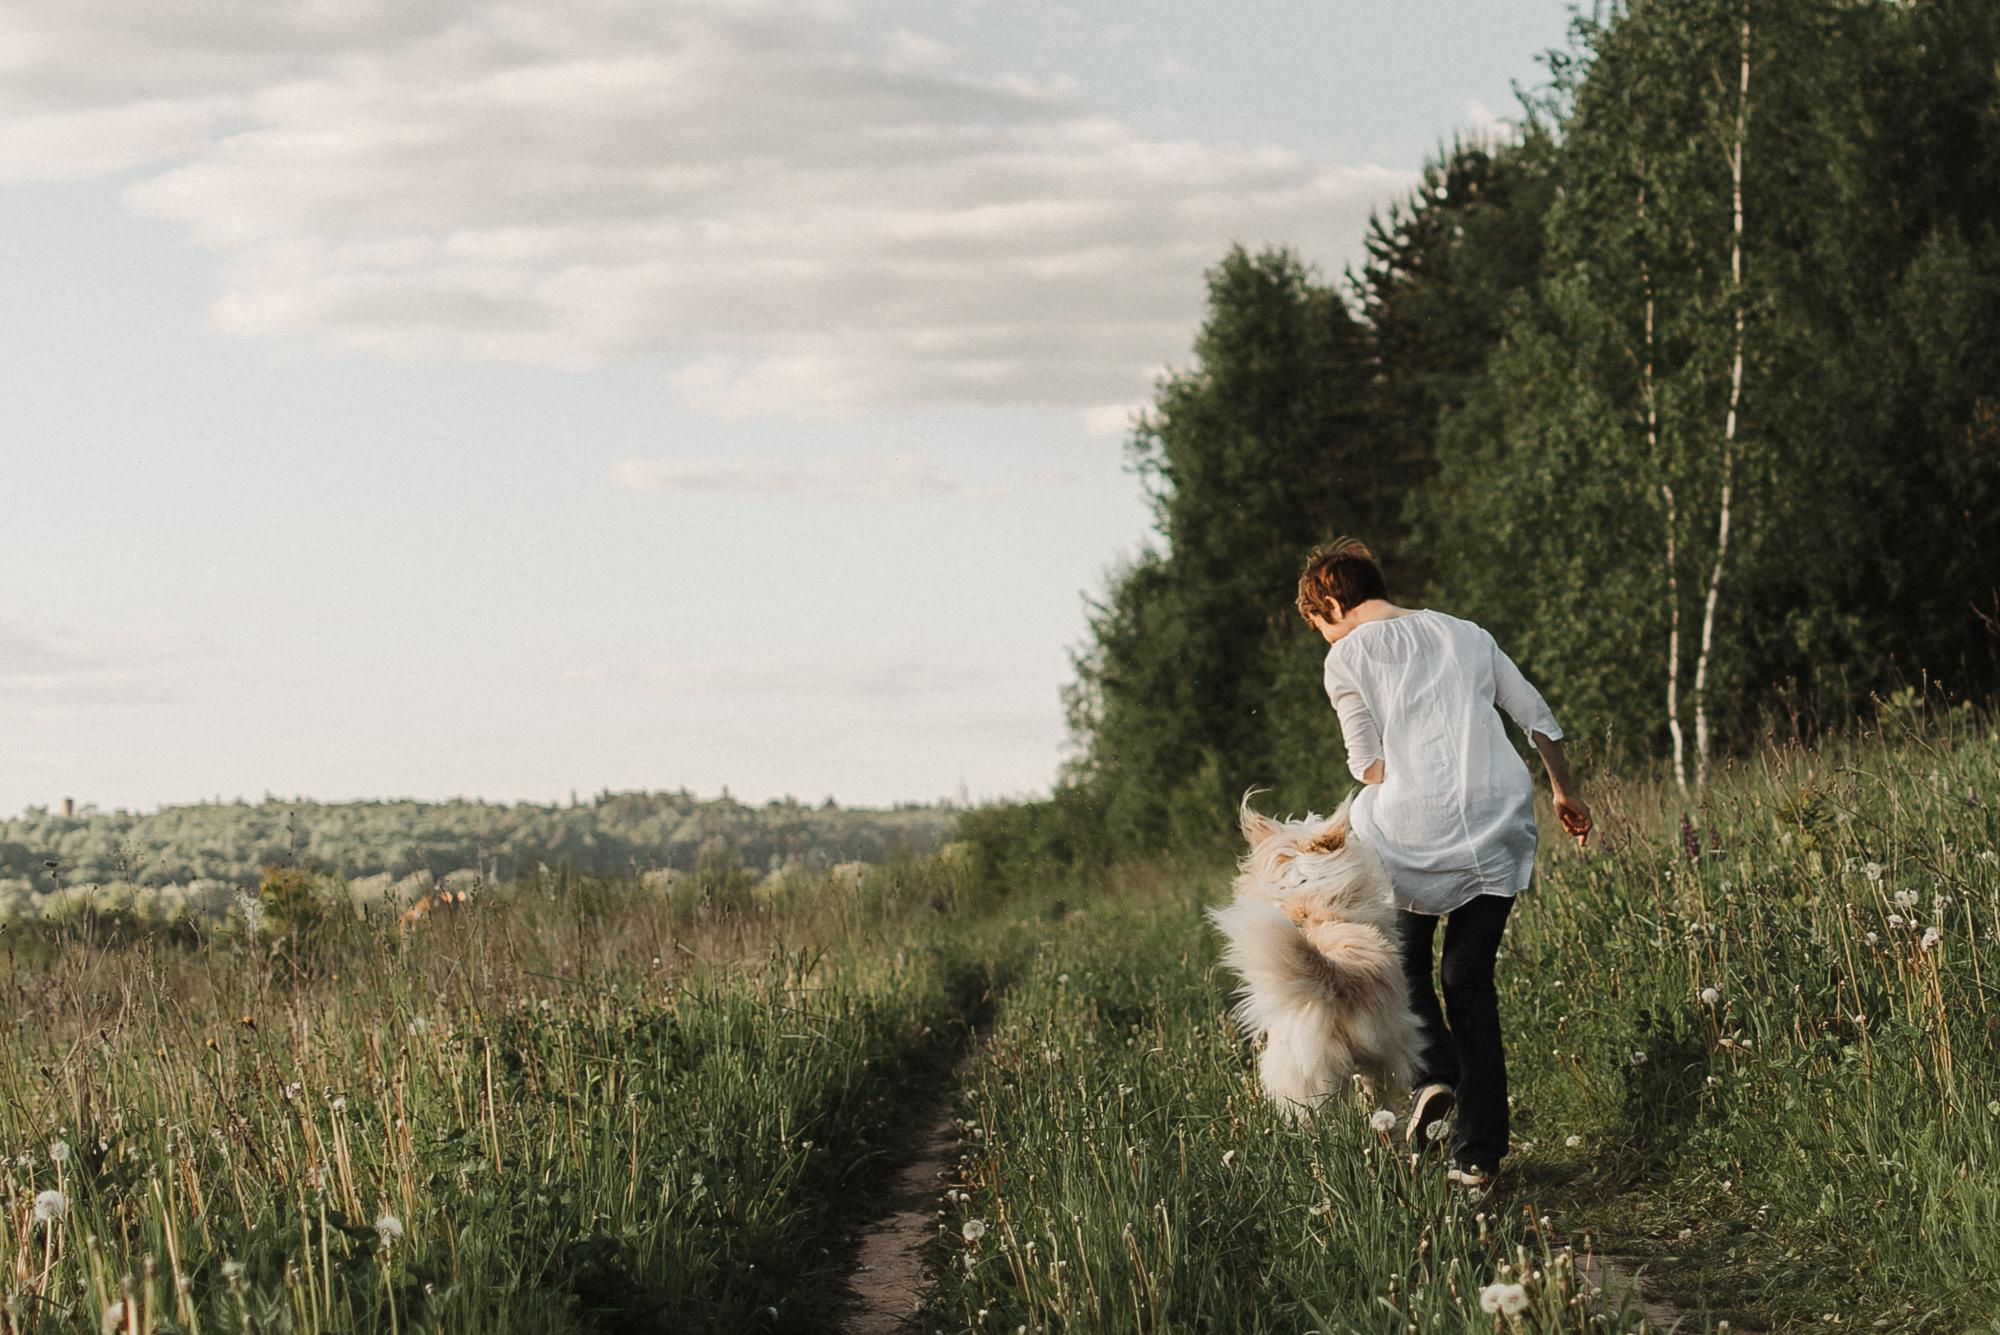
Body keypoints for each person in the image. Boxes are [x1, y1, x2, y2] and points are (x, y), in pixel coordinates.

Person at [1294, 538, 1591, 1190]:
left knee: (1404, 966)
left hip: (1411, 831)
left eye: (1319, 626)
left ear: (1333, 603)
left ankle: (1436, 1074)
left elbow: (1367, 764)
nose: (1325, 638)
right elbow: (1535, 715)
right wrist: (1564, 789)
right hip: (1497, 822)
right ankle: (1477, 1155)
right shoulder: (1466, 633)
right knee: (1469, 980)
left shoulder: (1347, 656)